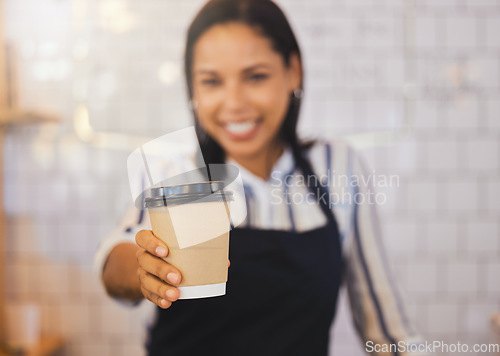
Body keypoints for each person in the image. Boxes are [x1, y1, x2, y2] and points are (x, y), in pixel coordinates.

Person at [95, 0, 425, 355]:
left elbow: (389, 332)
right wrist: (144, 269)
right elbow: (116, 257)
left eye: (255, 77)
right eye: (212, 81)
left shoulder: (337, 167)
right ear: (193, 89)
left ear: (293, 72)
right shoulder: (175, 168)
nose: (234, 103)